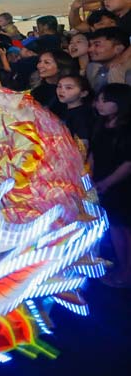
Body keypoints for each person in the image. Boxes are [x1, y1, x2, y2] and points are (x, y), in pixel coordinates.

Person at [89, 83, 131, 286]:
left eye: (106, 100)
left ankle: (126, 272)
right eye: (99, 99)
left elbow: (128, 162)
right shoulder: (101, 124)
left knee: (122, 229)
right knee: (115, 228)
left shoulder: (126, 129)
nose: (100, 104)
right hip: (103, 182)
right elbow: (94, 153)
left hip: (121, 186)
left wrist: (107, 182)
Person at [56, 74, 95, 151]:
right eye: (59, 86)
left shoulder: (83, 115)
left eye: (68, 88)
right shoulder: (62, 109)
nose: (61, 90)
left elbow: (82, 147)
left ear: (83, 93)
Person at [85, 27, 131, 94]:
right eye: (90, 45)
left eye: (97, 45)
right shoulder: (92, 68)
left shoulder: (128, 73)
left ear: (118, 49)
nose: (90, 49)